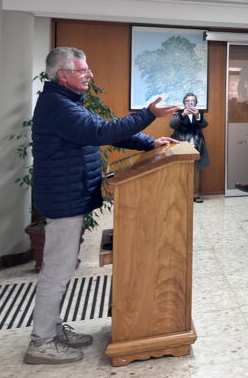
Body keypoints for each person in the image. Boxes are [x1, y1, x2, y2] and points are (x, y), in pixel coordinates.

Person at [26, 47, 179, 364]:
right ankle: (41, 341)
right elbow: (100, 132)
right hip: (63, 199)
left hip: (68, 196)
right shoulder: (57, 105)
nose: (89, 75)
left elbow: (106, 131)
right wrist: (148, 114)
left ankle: (52, 330)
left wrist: (151, 142)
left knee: (62, 267)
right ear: (63, 75)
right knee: (57, 271)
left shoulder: (66, 101)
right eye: (83, 71)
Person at [169, 93, 209, 203]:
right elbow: (172, 125)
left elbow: (205, 125)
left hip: (196, 145)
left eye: (192, 101)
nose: (190, 103)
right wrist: (183, 115)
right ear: (184, 103)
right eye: (187, 101)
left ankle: (195, 194)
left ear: (195, 103)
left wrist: (197, 116)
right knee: (180, 170)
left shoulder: (199, 113)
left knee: (195, 171)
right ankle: (181, 194)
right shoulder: (178, 113)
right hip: (181, 145)